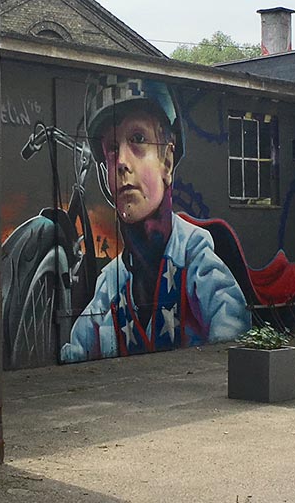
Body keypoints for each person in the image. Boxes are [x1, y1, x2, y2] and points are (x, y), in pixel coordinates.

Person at [60, 75, 250, 362]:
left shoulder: (194, 256)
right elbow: (76, 352)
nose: (121, 162)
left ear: (167, 162)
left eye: (138, 139)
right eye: (112, 148)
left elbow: (233, 330)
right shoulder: (110, 284)